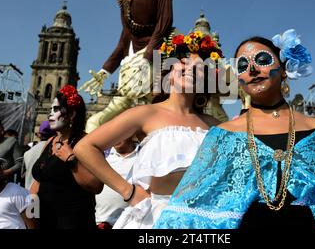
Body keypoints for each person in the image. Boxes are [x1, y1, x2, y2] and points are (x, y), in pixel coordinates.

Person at [155, 29, 315, 229]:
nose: (252, 69)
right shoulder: (222, 135)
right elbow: (191, 209)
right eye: (242, 66)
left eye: (262, 60)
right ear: (239, 80)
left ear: (285, 69)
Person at [74, 31, 223, 229]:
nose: (190, 69)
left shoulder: (214, 125)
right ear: (169, 73)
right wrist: (128, 191)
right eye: (184, 63)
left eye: (200, 68)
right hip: (155, 219)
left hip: (203, 220)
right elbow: (85, 147)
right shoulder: (145, 113)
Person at [80, 0, 174, 133]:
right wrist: (106, 70)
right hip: (130, 61)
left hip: (152, 57)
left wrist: (148, 56)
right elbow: (125, 35)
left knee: (150, 114)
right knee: (95, 122)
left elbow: (165, 20)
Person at [31, 85, 103, 229]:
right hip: (44, 220)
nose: (50, 114)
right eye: (51, 109)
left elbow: (96, 186)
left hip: (73, 222)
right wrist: (31, 216)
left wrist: (71, 159)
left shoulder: (87, 143)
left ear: (71, 114)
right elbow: (38, 182)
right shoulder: (51, 142)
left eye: (56, 110)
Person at [95, 137, 139, 229]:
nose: (115, 138)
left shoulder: (143, 154)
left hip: (132, 222)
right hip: (102, 223)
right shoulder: (102, 156)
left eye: (120, 134)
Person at [21, 121, 56, 190]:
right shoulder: (55, 150)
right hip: (46, 193)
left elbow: (22, 175)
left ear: (39, 135)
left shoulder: (27, 153)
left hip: (29, 192)